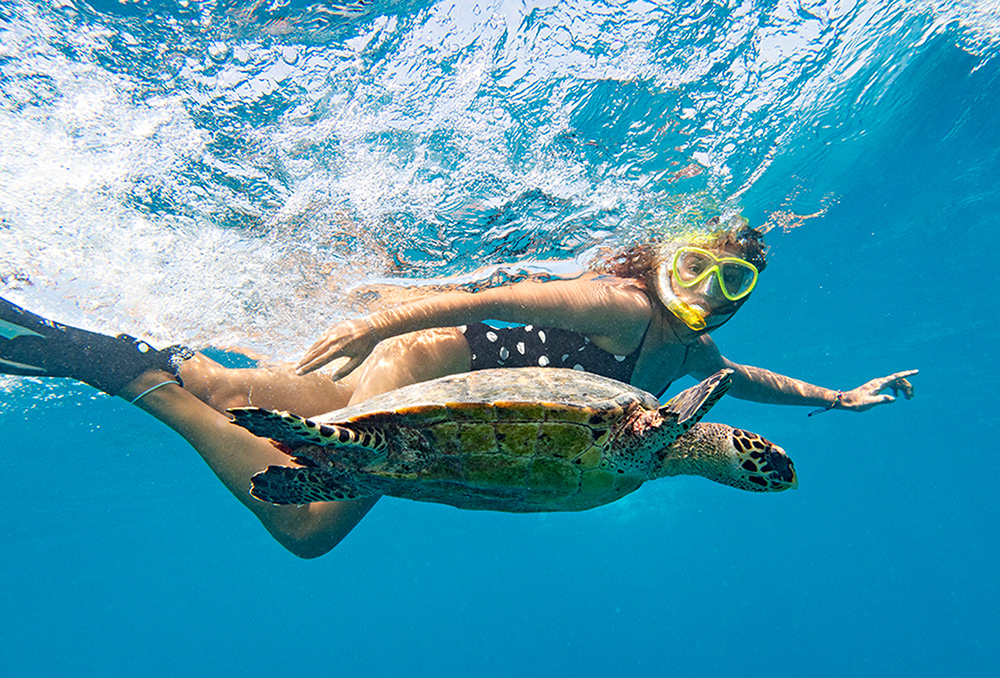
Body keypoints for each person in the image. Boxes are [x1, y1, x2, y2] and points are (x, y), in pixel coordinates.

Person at [0, 217, 916, 558]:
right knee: (305, 516)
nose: (710, 294)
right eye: (702, 267)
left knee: (267, 405)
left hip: (450, 406)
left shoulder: (689, 364)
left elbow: (746, 379)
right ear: (665, 257)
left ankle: (137, 356)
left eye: (735, 286)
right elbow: (491, 294)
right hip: (426, 366)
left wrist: (839, 399)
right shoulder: (615, 302)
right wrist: (375, 321)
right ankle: (135, 372)